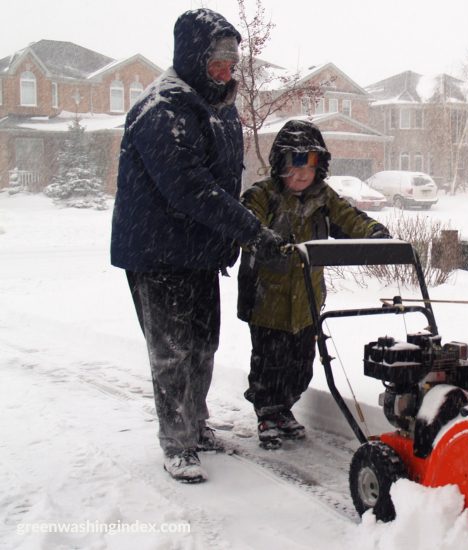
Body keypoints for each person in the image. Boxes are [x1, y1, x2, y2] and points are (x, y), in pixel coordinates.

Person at [110, 9, 283, 483]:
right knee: (173, 351)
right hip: (158, 251)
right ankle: (177, 442)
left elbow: (224, 180)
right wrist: (249, 231)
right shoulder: (162, 108)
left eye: (232, 61)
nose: (226, 70)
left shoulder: (218, 106)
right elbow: (190, 187)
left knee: (204, 345)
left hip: (199, 252)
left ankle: (196, 424)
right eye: (217, 61)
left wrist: (237, 230)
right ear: (193, 57)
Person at [237, 120, 390, 449]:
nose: (302, 173)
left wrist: (374, 233)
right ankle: (268, 412)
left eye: (309, 166)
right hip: (268, 302)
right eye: (294, 164)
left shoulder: (323, 197)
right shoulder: (263, 195)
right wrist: (264, 240)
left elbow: (349, 218)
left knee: (301, 365)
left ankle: (285, 408)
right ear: (279, 164)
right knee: (269, 363)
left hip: (306, 301)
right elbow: (248, 223)